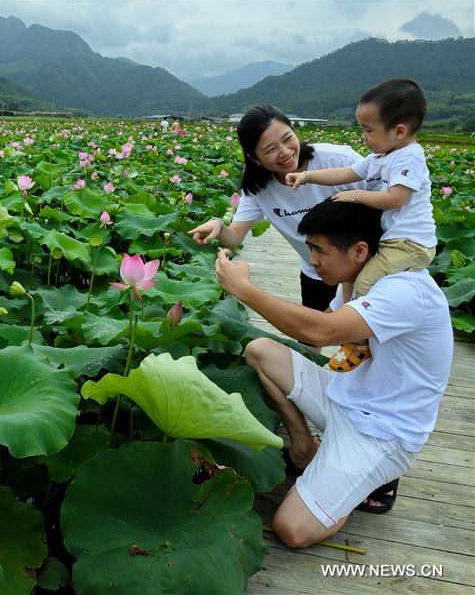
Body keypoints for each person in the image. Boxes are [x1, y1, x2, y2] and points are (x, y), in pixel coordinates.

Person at [214, 199, 452, 547]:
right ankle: (304, 448)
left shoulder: (405, 291)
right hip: (342, 398)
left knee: (292, 529)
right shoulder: (366, 277)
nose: (312, 261)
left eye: (318, 251)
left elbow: (322, 332)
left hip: (380, 434)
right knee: (261, 351)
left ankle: (361, 485)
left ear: (359, 250)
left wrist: (244, 290)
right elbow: (321, 323)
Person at [285, 79, 436, 373]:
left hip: (409, 243)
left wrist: (354, 195)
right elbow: (345, 172)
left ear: (399, 131)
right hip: (390, 239)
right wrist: (306, 177)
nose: (363, 137)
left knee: (365, 283)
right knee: (352, 279)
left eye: (368, 130)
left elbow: (396, 198)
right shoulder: (380, 157)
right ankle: (346, 322)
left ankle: (359, 340)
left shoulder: (410, 157)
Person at [189, 105, 365, 315]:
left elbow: (392, 202)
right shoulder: (258, 188)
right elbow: (234, 237)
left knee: (364, 337)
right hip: (316, 268)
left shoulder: (339, 160)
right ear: (254, 158)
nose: (285, 152)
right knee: (311, 338)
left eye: (288, 138)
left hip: (364, 263)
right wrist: (218, 225)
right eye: (270, 149)